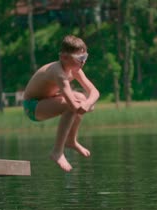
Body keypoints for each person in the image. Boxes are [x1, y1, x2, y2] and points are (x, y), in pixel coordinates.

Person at [22, 35, 100, 172]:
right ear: (64, 57)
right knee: (72, 105)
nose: (83, 62)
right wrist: (86, 106)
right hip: (32, 106)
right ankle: (57, 152)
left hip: (47, 99)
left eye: (85, 57)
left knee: (81, 97)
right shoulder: (58, 73)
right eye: (80, 59)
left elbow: (94, 92)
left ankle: (71, 141)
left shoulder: (74, 69)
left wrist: (88, 103)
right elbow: (74, 106)